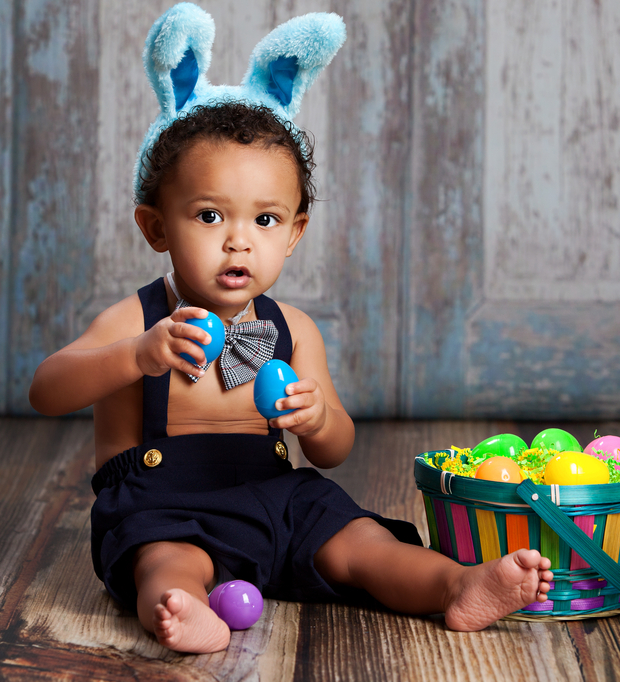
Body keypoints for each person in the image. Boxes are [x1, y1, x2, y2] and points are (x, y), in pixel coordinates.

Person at [29, 99, 553, 653]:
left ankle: (456, 584)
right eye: (209, 216)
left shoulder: (293, 328)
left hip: (277, 499)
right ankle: (184, 606)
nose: (239, 240)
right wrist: (134, 356)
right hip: (166, 506)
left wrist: (317, 418)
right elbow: (47, 388)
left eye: (265, 219)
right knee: (165, 559)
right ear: (156, 226)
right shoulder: (137, 321)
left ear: (294, 232)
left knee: (360, 540)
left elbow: (334, 450)